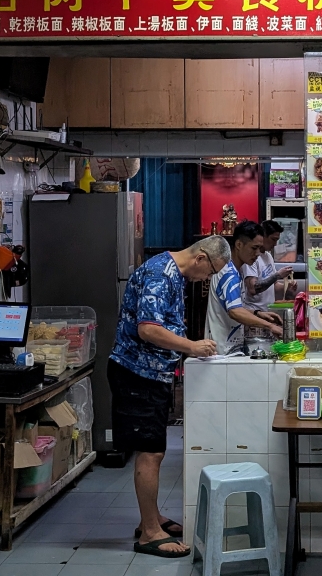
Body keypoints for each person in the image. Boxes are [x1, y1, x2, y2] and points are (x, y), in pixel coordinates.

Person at [108, 235, 229, 559]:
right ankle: (149, 532)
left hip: (152, 374)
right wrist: (191, 346)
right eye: (210, 272)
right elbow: (148, 329)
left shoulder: (172, 275)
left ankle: (152, 517)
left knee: (155, 451)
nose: (206, 279)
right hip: (138, 373)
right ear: (201, 258)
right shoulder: (162, 273)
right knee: (150, 454)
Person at [206, 220, 284, 355]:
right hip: (222, 350)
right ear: (239, 244)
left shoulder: (235, 271)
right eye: (254, 248)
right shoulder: (228, 273)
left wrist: (257, 313)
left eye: (260, 248)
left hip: (229, 347)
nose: (258, 253)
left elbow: (233, 307)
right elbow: (234, 312)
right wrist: (270, 326)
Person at [241, 219, 297, 310]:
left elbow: (273, 285)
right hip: (255, 313)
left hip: (268, 311)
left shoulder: (268, 256)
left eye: (277, 240)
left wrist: (286, 287)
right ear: (263, 236)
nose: (275, 244)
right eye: (273, 239)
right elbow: (253, 289)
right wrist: (278, 275)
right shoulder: (251, 258)